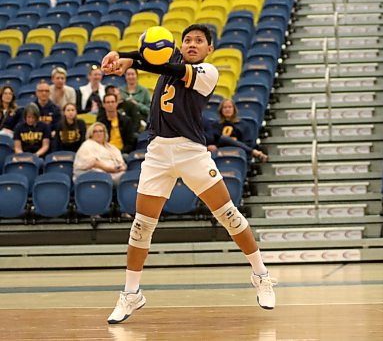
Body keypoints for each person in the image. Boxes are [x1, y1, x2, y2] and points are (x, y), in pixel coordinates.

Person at [101, 23, 276, 324]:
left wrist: (133, 57)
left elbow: (159, 65)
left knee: (229, 215)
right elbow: (151, 60)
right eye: (187, 40)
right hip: (157, 152)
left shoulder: (208, 73)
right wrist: (122, 57)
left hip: (191, 152)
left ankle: (261, 275)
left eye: (199, 40)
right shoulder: (170, 61)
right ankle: (131, 294)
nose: (192, 44)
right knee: (141, 226)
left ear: (210, 49)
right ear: (178, 46)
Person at [207, 98, 268, 163]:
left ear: (234, 109)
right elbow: (210, 141)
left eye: (230, 107)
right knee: (223, 139)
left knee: (224, 139)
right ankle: (254, 152)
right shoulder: (215, 125)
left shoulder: (243, 125)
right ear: (221, 110)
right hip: (218, 153)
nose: (227, 109)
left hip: (238, 153)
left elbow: (248, 143)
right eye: (224, 107)